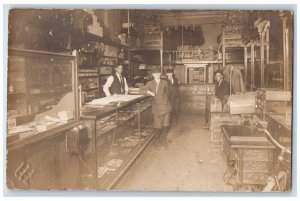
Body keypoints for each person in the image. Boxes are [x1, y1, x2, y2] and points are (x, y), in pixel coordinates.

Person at [144, 67, 172, 148]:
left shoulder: (165, 82)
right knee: (157, 125)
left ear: (160, 74)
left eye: (158, 73)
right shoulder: (150, 83)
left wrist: (165, 100)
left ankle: (162, 140)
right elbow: (142, 90)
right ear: (152, 75)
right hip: (156, 107)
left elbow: (169, 93)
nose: (157, 75)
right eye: (155, 73)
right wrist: (149, 92)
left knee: (165, 124)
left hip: (166, 106)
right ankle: (156, 141)